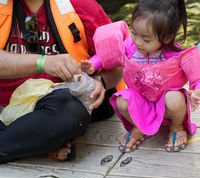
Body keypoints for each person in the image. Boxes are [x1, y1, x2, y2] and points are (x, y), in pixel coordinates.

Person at [0, 0, 123, 163]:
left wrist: (101, 81)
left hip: (56, 103)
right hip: (4, 105)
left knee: (71, 113)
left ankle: (32, 140)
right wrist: (43, 62)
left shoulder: (82, 5)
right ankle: (41, 142)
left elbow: (119, 62)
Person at [81, 0, 200, 153]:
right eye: (134, 32)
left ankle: (177, 127)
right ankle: (139, 127)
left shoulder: (175, 54)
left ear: (167, 38)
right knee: (121, 100)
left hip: (167, 106)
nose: (137, 42)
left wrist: (197, 90)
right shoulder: (129, 47)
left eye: (146, 39)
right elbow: (105, 56)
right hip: (140, 102)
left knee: (175, 98)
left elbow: (196, 76)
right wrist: (92, 65)